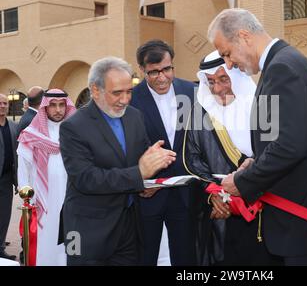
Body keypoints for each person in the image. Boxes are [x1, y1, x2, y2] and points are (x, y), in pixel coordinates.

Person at [209, 8, 307, 265]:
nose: (228, 64)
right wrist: (255, 162)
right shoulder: (284, 63)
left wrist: (243, 180)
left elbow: (290, 146)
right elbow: (287, 138)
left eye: (227, 53)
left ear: (244, 36)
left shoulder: (282, 69)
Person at [59, 57, 177, 265]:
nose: (125, 99)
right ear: (95, 90)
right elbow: (86, 178)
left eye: (129, 91)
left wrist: (152, 176)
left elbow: (140, 159)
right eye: (117, 93)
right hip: (86, 229)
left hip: (130, 226)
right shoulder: (73, 127)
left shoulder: (134, 117)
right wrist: (138, 175)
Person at [184, 50, 279, 265]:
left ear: (236, 77)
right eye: (210, 82)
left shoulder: (260, 106)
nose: (217, 89)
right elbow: (191, 161)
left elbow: (277, 152)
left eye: (223, 79)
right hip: (219, 210)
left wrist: (251, 175)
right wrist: (214, 196)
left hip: (260, 205)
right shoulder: (200, 112)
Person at [130, 39, 196, 266]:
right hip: (149, 194)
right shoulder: (130, 99)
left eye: (167, 69)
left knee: (186, 257)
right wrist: (142, 181)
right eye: (154, 72)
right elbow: (127, 148)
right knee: (145, 256)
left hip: (186, 194)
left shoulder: (192, 91)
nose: (162, 77)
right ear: (142, 70)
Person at [17, 89, 76, 266]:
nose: (58, 110)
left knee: (74, 244)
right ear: (44, 107)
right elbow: (23, 170)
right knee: (46, 247)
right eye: (53, 105)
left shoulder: (76, 133)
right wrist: (27, 199)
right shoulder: (32, 134)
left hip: (74, 202)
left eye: (61, 105)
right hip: (44, 204)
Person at [0, 94, 19, 260]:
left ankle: (0, 249)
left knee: (4, 215)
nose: (2, 106)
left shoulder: (13, 127)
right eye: (0, 103)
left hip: (6, 179)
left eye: (5, 103)